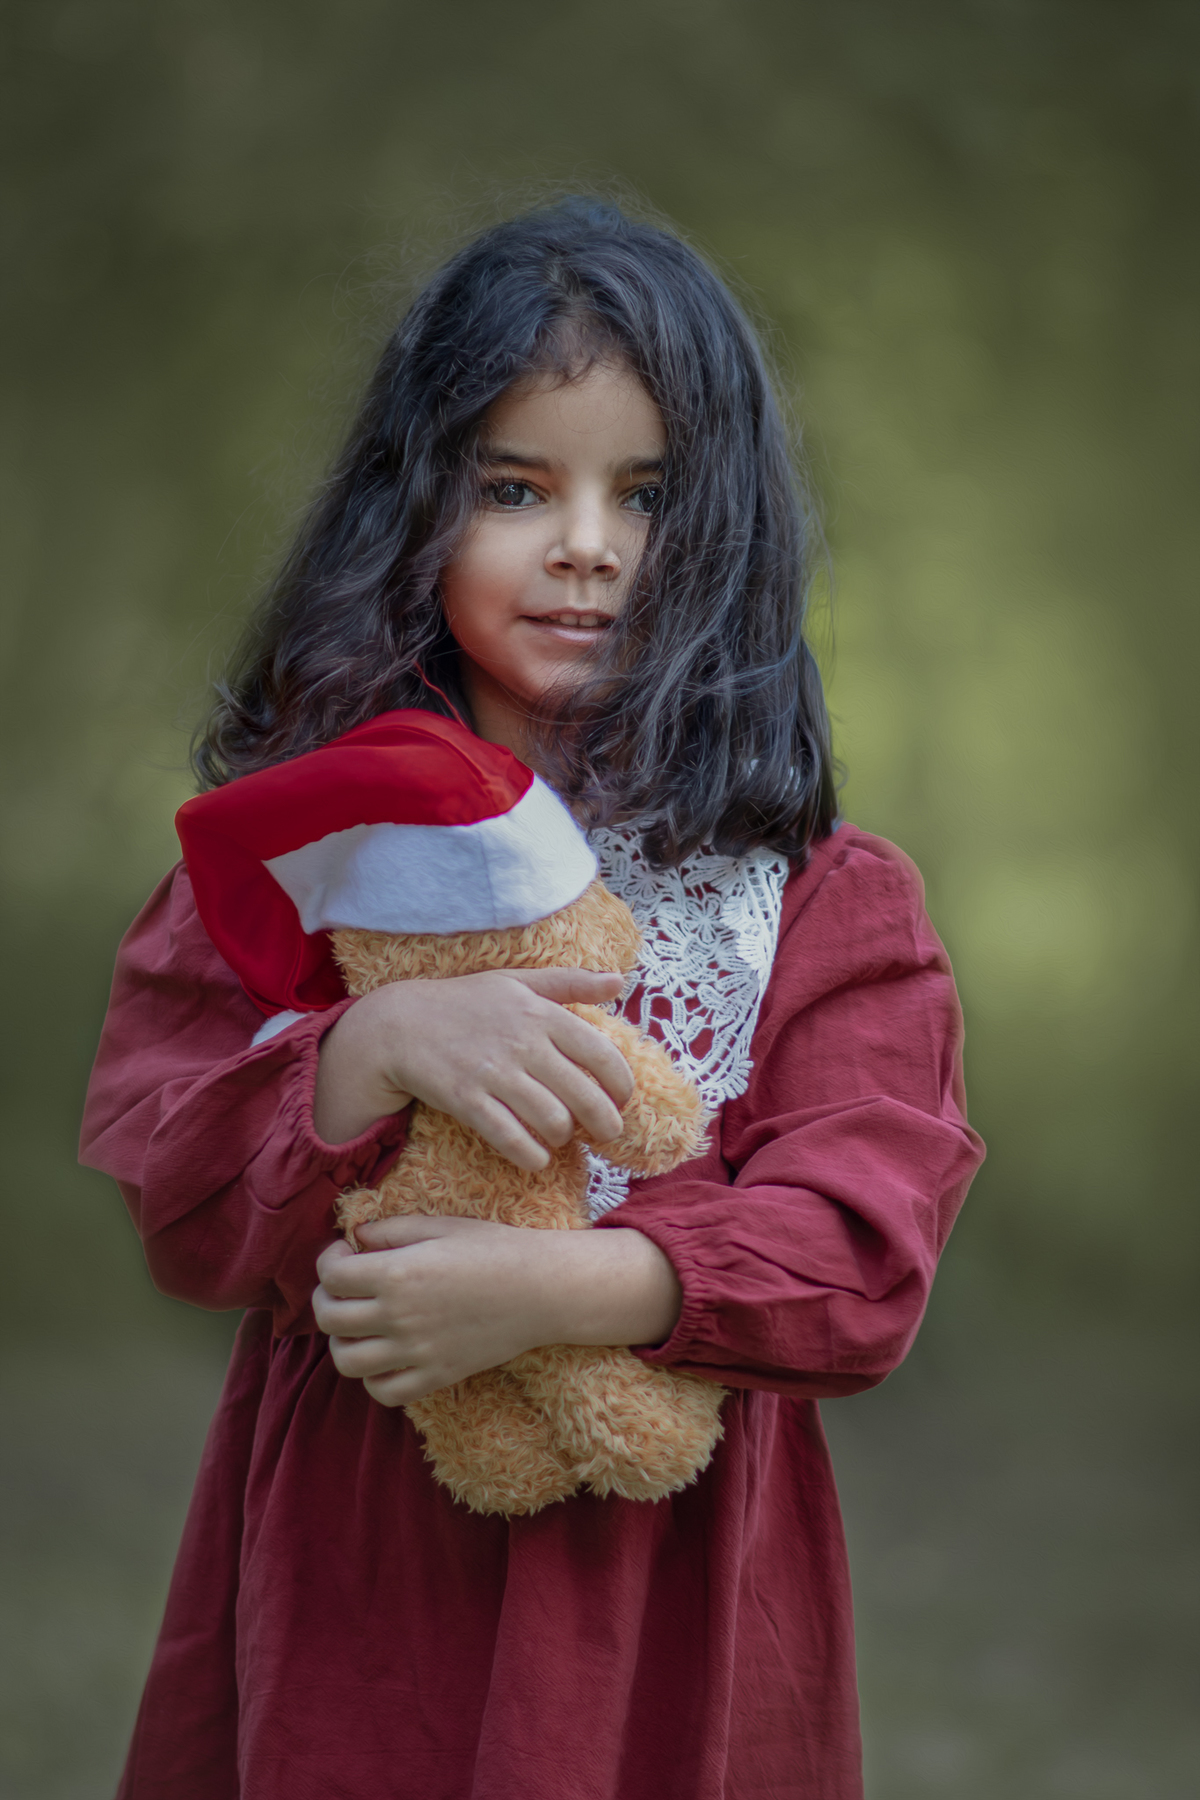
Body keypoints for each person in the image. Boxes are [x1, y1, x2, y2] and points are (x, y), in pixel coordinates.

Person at [80, 198, 985, 1800]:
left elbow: (863, 1255)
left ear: (731, 535)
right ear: (409, 512)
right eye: (516, 486)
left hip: (678, 1582)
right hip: (364, 1550)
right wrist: (369, 1046)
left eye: (647, 495)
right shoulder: (310, 850)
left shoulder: (826, 897)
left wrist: (569, 1292)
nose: (586, 542)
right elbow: (181, 1191)